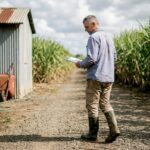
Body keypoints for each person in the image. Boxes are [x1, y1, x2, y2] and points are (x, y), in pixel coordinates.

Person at [75, 15, 120, 143]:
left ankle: (92, 134)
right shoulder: (109, 37)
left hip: (95, 77)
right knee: (105, 104)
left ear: (94, 24)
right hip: (109, 77)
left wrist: (80, 64)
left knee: (92, 105)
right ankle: (114, 130)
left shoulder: (93, 38)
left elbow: (91, 59)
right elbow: (115, 58)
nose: (86, 30)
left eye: (87, 27)